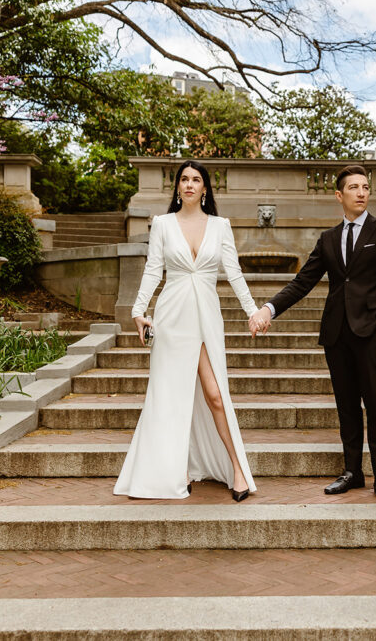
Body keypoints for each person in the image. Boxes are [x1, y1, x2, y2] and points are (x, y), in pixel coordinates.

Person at [249, 165, 376, 504]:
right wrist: (268, 309)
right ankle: (353, 472)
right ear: (340, 196)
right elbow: (302, 282)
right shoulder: (327, 239)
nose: (361, 192)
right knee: (346, 406)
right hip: (337, 334)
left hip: (372, 333)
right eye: (354, 187)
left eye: (365, 186)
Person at [114, 159, 258, 502]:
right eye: (184, 179)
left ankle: (238, 470)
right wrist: (138, 311)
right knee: (170, 395)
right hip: (172, 315)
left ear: (205, 188)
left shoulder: (221, 225)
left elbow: (234, 273)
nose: (190, 184)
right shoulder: (162, 224)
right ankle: (176, 471)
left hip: (206, 315)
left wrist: (253, 311)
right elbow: (153, 271)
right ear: (177, 187)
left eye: (196, 179)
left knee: (214, 394)